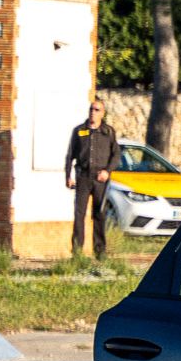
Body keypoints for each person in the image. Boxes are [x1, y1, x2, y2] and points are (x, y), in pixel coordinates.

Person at [67, 100, 119, 257]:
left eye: (97, 110)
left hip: (100, 179)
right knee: (79, 214)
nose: (93, 112)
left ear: (102, 113)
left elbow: (116, 155)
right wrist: (68, 175)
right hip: (83, 176)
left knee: (99, 214)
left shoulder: (108, 132)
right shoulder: (79, 131)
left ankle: (100, 252)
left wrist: (107, 171)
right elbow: (70, 155)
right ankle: (77, 252)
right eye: (91, 109)